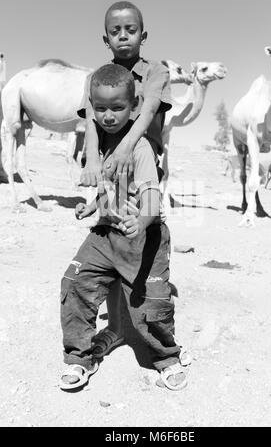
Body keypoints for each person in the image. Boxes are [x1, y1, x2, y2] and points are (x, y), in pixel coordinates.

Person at [60, 64, 187, 391]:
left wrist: (140, 220)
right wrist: (90, 206)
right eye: (100, 109)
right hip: (107, 232)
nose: (108, 116)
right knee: (74, 282)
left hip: (145, 237)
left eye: (117, 108)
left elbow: (150, 198)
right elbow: (111, 187)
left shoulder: (140, 147)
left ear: (133, 108)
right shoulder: (102, 144)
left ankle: (166, 356)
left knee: (151, 304)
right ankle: (79, 357)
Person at [77, 1, 173, 358]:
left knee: (142, 240)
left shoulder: (157, 72)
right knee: (113, 244)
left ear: (142, 35)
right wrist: (92, 159)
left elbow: (147, 112)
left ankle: (156, 331)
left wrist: (123, 151)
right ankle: (117, 327)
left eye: (130, 30)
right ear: (106, 38)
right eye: (115, 31)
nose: (123, 36)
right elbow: (90, 119)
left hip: (142, 163)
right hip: (110, 174)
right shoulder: (100, 77)